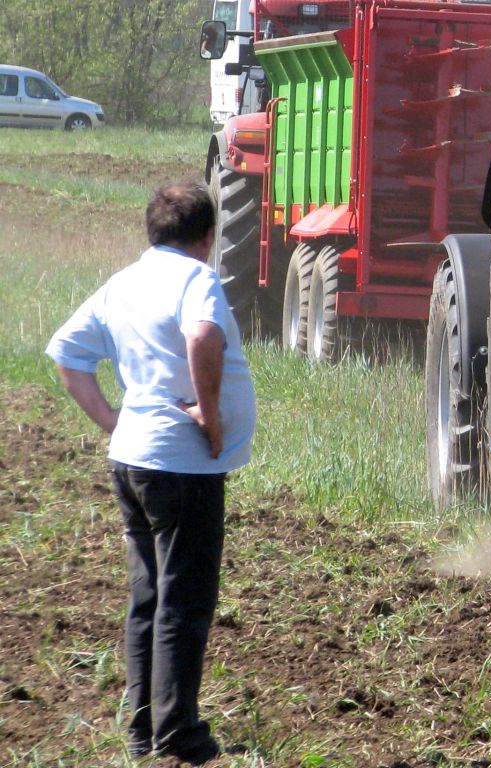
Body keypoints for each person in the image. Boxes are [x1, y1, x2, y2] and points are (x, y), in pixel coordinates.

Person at [45, 180, 256, 764]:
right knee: (184, 601)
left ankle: (142, 731)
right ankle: (178, 734)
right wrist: (210, 418)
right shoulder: (196, 279)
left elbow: (67, 353)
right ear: (207, 237)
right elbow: (204, 335)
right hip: (181, 465)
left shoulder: (123, 284)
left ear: (153, 232)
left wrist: (113, 419)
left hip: (132, 460)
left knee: (148, 597)